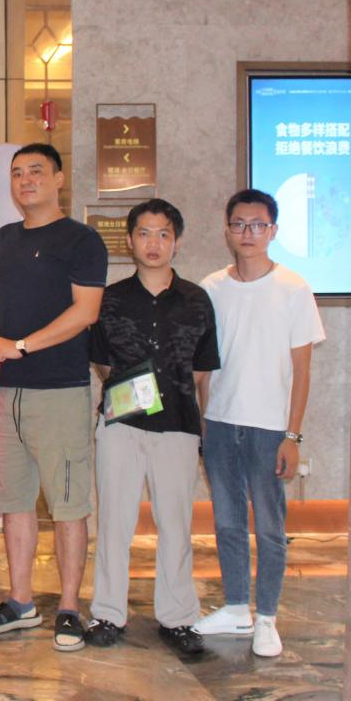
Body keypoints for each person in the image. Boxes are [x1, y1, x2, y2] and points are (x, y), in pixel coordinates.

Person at [0, 143, 107, 652]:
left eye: (36, 171)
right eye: (17, 173)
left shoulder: (81, 239)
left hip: (59, 390)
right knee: (14, 502)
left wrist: (23, 345)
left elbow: (86, 312)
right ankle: (21, 601)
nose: (26, 180)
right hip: (4, 390)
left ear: (58, 178)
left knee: (68, 504)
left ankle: (69, 607)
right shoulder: (4, 238)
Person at [193, 189, 324, 659]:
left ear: (273, 231)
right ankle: (235, 607)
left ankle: (266, 615)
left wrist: (292, 435)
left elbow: (302, 371)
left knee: (269, 526)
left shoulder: (294, 288)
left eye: (258, 225)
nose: (248, 233)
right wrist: (203, 425)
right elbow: (203, 367)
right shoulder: (211, 288)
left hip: (270, 428)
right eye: (239, 224)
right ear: (227, 230)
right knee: (227, 521)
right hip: (220, 423)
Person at [84, 199, 218, 655]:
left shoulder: (197, 299)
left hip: (179, 425)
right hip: (121, 425)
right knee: (114, 522)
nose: (154, 243)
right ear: (130, 240)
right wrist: (131, 395)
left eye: (163, 234)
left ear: (176, 241)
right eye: (144, 233)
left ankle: (177, 617)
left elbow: (202, 369)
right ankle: (108, 613)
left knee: (176, 524)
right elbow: (102, 362)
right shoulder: (111, 298)